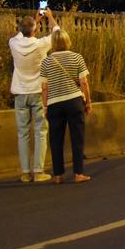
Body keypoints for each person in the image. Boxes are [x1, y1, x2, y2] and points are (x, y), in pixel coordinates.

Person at [9, 8, 60, 183]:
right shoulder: (41, 45)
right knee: (41, 131)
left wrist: (35, 21)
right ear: (35, 31)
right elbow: (57, 33)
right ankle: (38, 171)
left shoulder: (13, 43)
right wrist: (50, 17)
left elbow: (22, 34)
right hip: (38, 92)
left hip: (20, 93)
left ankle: (25, 172)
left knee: (22, 133)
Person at [40, 29, 92, 184]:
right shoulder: (77, 57)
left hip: (54, 104)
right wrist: (88, 102)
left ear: (53, 44)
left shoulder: (46, 61)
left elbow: (44, 87)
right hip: (74, 101)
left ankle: (58, 175)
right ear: (67, 41)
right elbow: (84, 82)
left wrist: (45, 107)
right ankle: (78, 173)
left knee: (55, 140)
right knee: (77, 138)